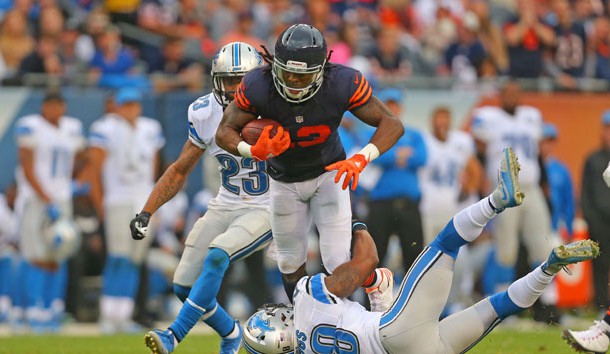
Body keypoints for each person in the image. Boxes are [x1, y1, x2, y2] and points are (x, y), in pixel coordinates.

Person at [243, 148, 599, 353]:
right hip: (393, 332)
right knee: (445, 242)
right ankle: (496, 200)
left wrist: (379, 297)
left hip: (408, 347)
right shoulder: (306, 296)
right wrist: (353, 223)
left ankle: (549, 268)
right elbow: (367, 260)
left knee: (496, 308)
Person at [215, 24, 404, 302]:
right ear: (273, 65)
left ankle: (341, 320)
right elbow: (224, 131)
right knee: (290, 264)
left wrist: (361, 158)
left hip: (328, 174)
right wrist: (251, 149)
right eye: (285, 72)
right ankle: (306, 326)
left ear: (320, 71)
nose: (291, 80)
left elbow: (392, 123)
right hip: (283, 179)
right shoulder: (257, 84)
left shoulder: (341, 83)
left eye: (301, 76)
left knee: (337, 261)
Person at [130, 42, 268, 354]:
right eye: (229, 81)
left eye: (243, 81)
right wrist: (147, 212)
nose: (235, 89)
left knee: (218, 254)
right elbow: (180, 170)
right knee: (183, 285)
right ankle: (231, 333)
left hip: (269, 205)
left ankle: (173, 335)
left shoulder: (276, 108)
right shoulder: (205, 112)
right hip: (227, 201)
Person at [85, 87, 165, 333]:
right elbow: (94, 173)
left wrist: (154, 205)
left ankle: (125, 314)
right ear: (117, 106)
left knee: (134, 259)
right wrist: (100, 206)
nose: (130, 109)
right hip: (118, 200)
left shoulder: (149, 129)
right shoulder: (104, 128)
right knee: (118, 258)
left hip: (142, 203)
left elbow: (153, 171)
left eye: (134, 104)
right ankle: (109, 315)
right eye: (126, 104)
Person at [471, 81, 555, 294]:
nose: (511, 98)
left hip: (531, 188)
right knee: (505, 248)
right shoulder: (489, 118)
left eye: (515, 93)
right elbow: (478, 152)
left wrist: (545, 182)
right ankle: (502, 302)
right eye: (507, 93)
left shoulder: (531, 116)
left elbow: (537, 155)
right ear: (500, 96)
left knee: (543, 243)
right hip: (505, 189)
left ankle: (548, 304)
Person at [13, 91, 85, 332]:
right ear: (44, 107)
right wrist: (46, 198)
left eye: (59, 105)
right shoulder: (30, 126)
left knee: (59, 253)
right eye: (51, 105)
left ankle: (52, 307)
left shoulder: (72, 128)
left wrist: (73, 184)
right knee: (35, 254)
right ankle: (31, 308)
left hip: (61, 199)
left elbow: (85, 158)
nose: (55, 110)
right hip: (35, 199)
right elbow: (26, 166)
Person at [562, 114, 610, 354]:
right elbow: (590, 190)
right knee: (601, 266)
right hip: (601, 222)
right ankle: (605, 322)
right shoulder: (593, 159)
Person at [364, 88, 427, 273]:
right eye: (388, 105)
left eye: (395, 105)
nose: (392, 109)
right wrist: (399, 155)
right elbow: (375, 156)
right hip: (380, 203)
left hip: (408, 204)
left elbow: (422, 158)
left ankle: (413, 301)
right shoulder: (371, 133)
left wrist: (389, 154)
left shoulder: (414, 133)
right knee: (375, 257)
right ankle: (370, 302)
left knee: (414, 257)